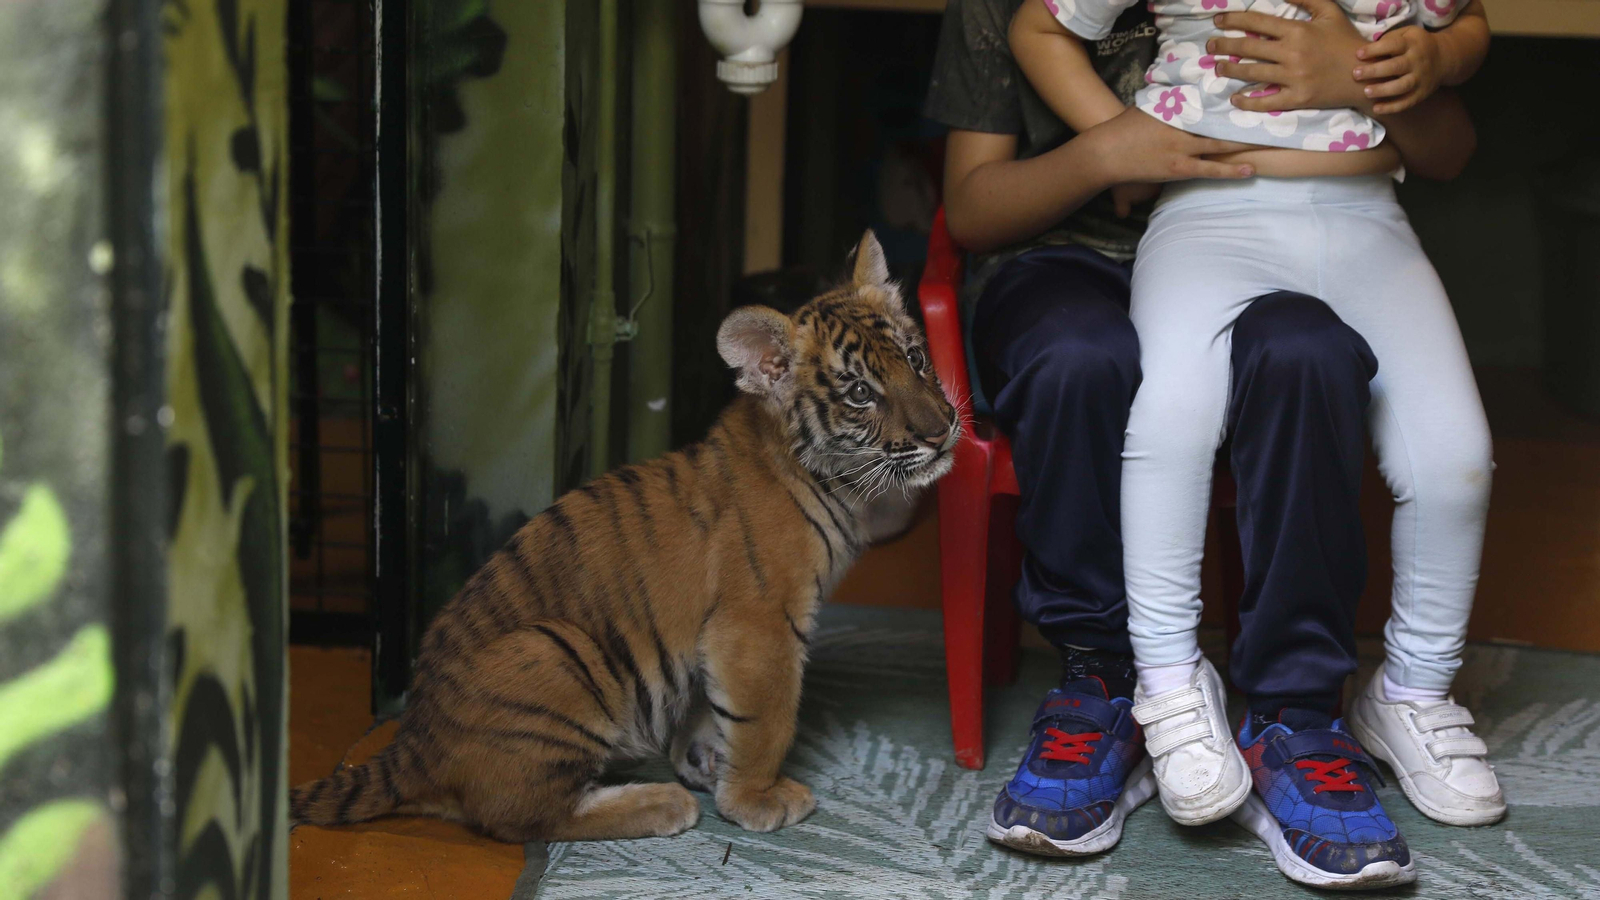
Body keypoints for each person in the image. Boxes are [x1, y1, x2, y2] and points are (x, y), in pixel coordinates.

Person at [922, 0, 1491, 884]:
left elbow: (1449, 129)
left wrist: (1381, 69)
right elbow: (972, 206)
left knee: (1307, 354)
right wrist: (1109, 149)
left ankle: (1296, 709)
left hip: (1279, 229)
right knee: (1086, 361)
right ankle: (1106, 678)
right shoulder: (1007, 13)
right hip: (1073, 252)